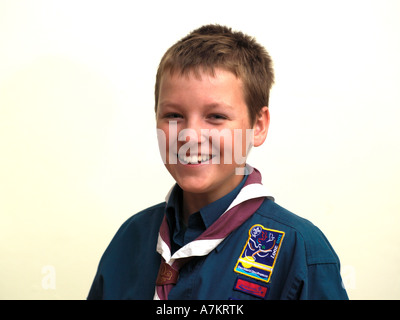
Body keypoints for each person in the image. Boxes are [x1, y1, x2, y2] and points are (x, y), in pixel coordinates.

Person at [87, 24, 348, 300]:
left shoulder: (300, 252)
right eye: (173, 115)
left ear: (257, 126)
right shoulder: (132, 238)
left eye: (216, 117)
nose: (190, 136)